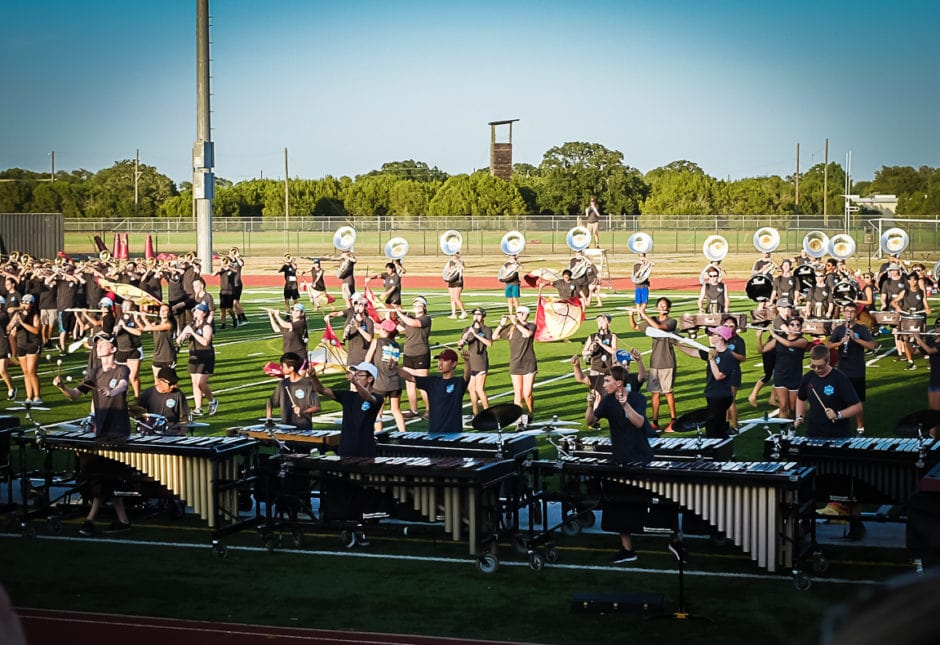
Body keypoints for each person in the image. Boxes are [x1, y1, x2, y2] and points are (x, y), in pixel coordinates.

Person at [52, 334, 132, 535]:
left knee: (105, 477)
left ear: (113, 349)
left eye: (104, 344)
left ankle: (91, 519)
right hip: (101, 431)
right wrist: (62, 387)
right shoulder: (94, 372)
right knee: (104, 477)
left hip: (118, 432)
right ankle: (123, 521)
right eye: (97, 344)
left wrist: (111, 393)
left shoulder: (122, 368)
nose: (99, 347)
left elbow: (122, 385)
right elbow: (76, 395)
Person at [794, 344, 864, 539]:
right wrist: (799, 416)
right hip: (814, 436)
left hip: (838, 438)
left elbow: (857, 406)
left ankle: (856, 524)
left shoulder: (840, 379)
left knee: (846, 481)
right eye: (813, 366)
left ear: (828, 362)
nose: (816, 370)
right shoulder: (808, 379)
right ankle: (807, 521)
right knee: (811, 481)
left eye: (820, 367)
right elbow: (800, 398)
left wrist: (839, 414)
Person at [585, 365, 654, 563]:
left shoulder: (637, 399)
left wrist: (625, 405)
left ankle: (674, 540)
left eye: (607, 381)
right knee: (619, 506)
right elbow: (590, 421)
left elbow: (639, 423)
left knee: (655, 504)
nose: (604, 384)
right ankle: (627, 550)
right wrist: (590, 404)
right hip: (621, 459)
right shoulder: (606, 401)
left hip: (641, 459)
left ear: (619, 383)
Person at [309, 361, 383, 457]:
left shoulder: (378, 397)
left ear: (370, 378)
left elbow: (368, 398)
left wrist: (355, 383)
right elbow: (321, 390)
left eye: (359, 375)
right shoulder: (347, 395)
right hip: (346, 446)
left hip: (365, 447)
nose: (356, 377)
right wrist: (313, 376)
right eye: (355, 374)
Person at [677, 326, 740, 439]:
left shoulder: (728, 356)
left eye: (714, 334)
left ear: (721, 337)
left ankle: (720, 450)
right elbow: (693, 352)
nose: (711, 336)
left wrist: (711, 360)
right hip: (713, 394)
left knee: (714, 428)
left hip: (721, 395)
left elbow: (719, 376)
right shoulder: (711, 351)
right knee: (714, 426)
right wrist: (677, 344)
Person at [826, 303, 877, 434]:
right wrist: (839, 343)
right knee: (840, 399)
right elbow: (828, 346)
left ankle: (860, 427)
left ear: (856, 314)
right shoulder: (838, 329)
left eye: (852, 311)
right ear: (843, 313)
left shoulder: (862, 329)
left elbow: (872, 346)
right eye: (847, 311)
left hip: (857, 370)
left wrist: (855, 339)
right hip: (843, 370)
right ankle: (842, 425)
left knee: (857, 401)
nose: (849, 314)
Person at [398, 348, 470, 434]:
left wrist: (467, 361)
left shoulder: (458, 383)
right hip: (434, 432)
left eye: (444, 361)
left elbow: (467, 376)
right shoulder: (432, 382)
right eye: (439, 360)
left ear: (454, 364)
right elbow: (410, 377)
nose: (440, 363)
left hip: (454, 433)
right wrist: (395, 368)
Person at [756, 315, 809, 420]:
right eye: (792, 325)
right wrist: (758, 336)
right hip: (780, 375)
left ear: (800, 328)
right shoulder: (778, 340)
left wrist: (774, 335)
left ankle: (794, 423)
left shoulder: (803, 341)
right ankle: (783, 431)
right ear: (788, 327)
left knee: (793, 408)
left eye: (797, 325)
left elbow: (789, 344)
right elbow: (762, 350)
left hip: (794, 376)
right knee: (783, 406)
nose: (794, 327)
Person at [637, 297, 678, 432]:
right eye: (660, 305)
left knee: (668, 392)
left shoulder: (672, 321)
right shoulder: (653, 319)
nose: (662, 308)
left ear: (668, 308)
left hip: (667, 361)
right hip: (655, 362)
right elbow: (636, 327)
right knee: (655, 393)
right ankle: (655, 422)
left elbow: (660, 328)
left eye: (664, 306)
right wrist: (632, 316)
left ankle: (673, 421)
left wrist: (644, 314)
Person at [747, 297, 794, 409]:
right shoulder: (779, 320)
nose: (787, 309)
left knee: (779, 374)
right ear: (779, 308)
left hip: (780, 349)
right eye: (784, 307)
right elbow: (787, 331)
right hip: (771, 350)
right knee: (768, 375)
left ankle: (772, 399)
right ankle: (753, 396)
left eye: (788, 307)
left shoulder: (788, 318)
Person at [494, 305, 537, 424]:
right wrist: (501, 324)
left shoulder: (531, 325)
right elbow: (494, 336)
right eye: (518, 313)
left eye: (521, 313)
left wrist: (516, 323)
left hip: (528, 363)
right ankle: (519, 419)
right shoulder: (511, 328)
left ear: (527, 315)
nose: (519, 315)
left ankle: (530, 413)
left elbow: (527, 334)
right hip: (515, 363)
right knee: (518, 393)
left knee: (527, 393)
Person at [177, 302, 218, 416]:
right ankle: (198, 408)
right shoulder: (191, 325)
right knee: (194, 382)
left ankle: (212, 401)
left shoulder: (206, 326)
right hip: (194, 355)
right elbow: (179, 339)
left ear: (204, 313)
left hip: (206, 356)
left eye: (199, 311)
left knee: (201, 383)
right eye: (195, 311)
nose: (195, 313)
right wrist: (182, 337)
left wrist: (193, 334)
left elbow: (205, 342)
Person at [394, 296, 432, 420]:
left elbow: (414, 323)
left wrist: (400, 313)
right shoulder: (408, 318)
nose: (417, 307)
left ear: (424, 307)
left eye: (420, 305)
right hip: (408, 353)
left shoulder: (426, 319)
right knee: (410, 384)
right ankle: (413, 410)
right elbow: (398, 329)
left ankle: (429, 410)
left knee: (423, 384)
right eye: (415, 305)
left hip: (421, 354)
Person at [365, 319, 405, 433]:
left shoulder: (376, 341)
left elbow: (367, 360)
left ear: (385, 330)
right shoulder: (396, 344)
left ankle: (378, 435)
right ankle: (404, 433)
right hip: (396, 381)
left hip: (381, 382)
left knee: (378, 412)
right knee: (396, 410)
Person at [265, 352, 320, 429]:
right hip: (285, 428)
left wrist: (302, 411)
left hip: (303, 428)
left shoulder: (307, 383)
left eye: (283, 366)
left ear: (291, 368)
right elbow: (270, 402)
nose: (281, 368)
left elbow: (317, 407)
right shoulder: (283, 384)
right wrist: (269, 419)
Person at [457, 307, 493, 417]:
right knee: (471, 388)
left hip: (480, 360)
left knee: (479, 388)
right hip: (470, 361)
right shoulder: (468, 329)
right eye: (474, 314)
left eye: (478, 314)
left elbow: (489, 343)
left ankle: (488, 412)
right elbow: (460, 344)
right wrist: (462, 341)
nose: (476, 316)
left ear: (483, 316)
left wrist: (476, 334)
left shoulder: (486, 329)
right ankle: (475, 411)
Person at [7, 293, 42, 404]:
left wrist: (22, 322)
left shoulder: (35, 315)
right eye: (22, 302)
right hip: (21, 345)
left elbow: (36, 330)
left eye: (26, 303)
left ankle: (37, 397)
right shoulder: (18, 314)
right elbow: (8, 327)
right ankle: (29, 396)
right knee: (25, 372)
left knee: (32, 371)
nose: (24, 305)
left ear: (31, 304)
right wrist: (12, 326)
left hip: (33, 344)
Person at [894, 271, 932, 370]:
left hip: (918, 319)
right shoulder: (904, 292)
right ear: (908, 281)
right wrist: (897, 307)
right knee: (905, 340)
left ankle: (928, 358)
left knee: (919, 340)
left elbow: (926, 305)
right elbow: (894, 302)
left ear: (917, 280)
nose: (912, 281)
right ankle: (910, 362)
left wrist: (928, 309)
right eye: (910, 279)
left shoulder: (921, 292)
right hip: (906, 318)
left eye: (914, 279)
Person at [138, 366, 190, 435]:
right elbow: (139, 415)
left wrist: (182, 431)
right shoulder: (147, 394)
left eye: (174, 383)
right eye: (170, 384)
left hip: (172, 433)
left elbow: (185, 416)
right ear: (160, 381)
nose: (173, 386)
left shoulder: (178, 394)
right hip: (152, 433)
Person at [579, 314, 618, 400]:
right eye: (598, 321)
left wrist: (602, 344)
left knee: (608, 395)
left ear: (608, 323)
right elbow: (583, 352)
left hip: (608, 369)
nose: (600, 323)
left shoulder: (612, 336)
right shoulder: (592, 336)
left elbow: (614, 351)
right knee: (597, 396)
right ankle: (596, 413)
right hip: (596, 369)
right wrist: (590, 350)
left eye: (602, 321)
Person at [136, 303, 176, 382]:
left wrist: (144, 319)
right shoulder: (157, 323)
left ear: (169, 313)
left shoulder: (169, 324)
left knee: (170, 382)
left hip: (167, 356)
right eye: (161, 310)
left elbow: (152, 328)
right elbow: (144, 328)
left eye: (165, 311)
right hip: (157, 356)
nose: (163, 312)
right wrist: (137, 319)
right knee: (157, 381)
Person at [722, 315, 746, 432]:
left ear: (736, 327)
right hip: (722, 372)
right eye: (726, 325)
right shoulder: (720, 338)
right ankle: (725, 424)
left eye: (731, 326)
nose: (728, 328)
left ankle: (735, 425)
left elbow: (743, 357)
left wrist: (729, 352)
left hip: (733, 372)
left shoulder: (738, 340)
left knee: (730, 400)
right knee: (723, 401)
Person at [443, 251, 467, 319]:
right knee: (452, 298)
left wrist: (458, 262)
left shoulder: (461, 261)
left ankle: (463, 312)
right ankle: (454, 314)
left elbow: (463, 269)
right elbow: (447, 271)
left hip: (458, 281)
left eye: (456, 254)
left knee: (456, 297)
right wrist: (449, 272)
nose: (455, 255)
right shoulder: (450, 262)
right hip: (451, 280)